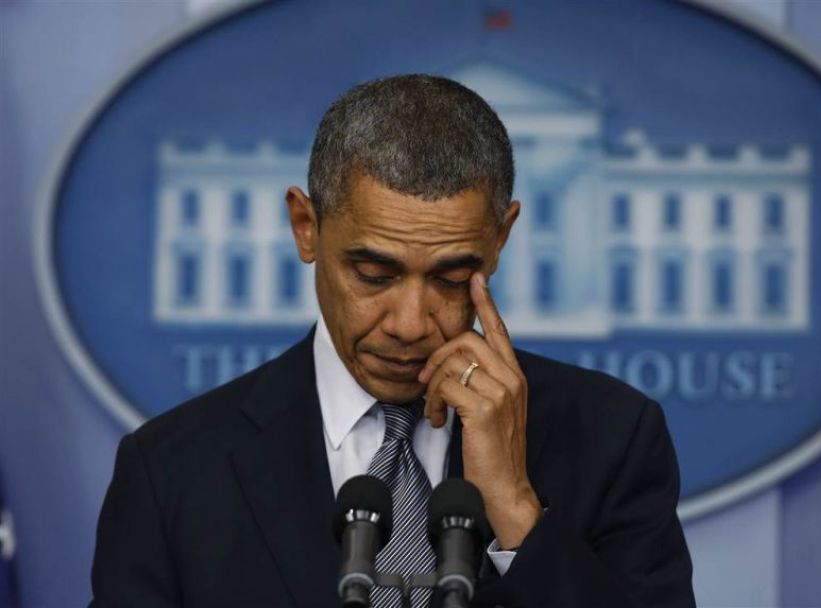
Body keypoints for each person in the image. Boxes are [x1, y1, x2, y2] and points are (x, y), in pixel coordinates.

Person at [89, 74, 695, 607]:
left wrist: (516, 510)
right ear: (306, 227)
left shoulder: (613, 438)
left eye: (452, 278)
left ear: (501, 238)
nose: (410, 324)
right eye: (374, 275)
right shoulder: (171, 470)